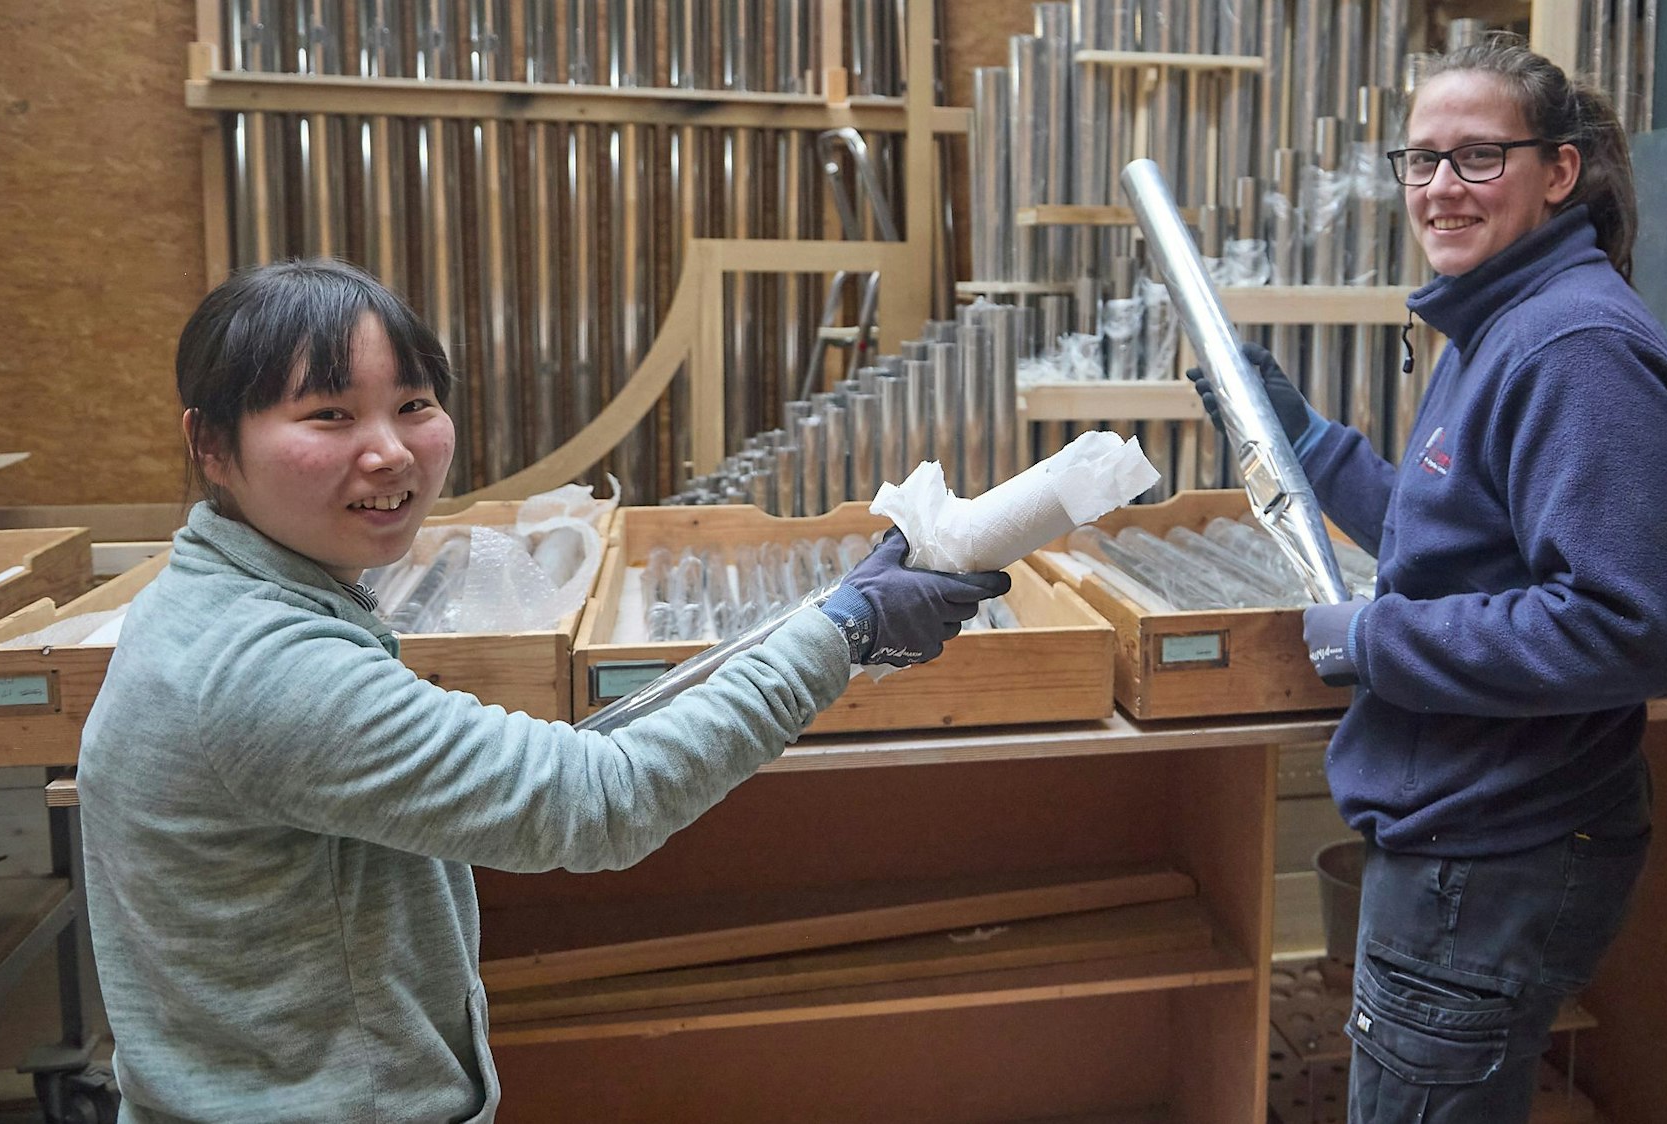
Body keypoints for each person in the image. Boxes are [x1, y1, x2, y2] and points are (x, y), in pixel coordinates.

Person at [77, 258, 1010, 1122]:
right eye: (328, 416)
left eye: (412, 404)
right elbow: (598, 801)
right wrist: (845, 632)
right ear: (209, 443)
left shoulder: (223, 595)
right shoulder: (264, 666)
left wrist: (828, 616)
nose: (391, 452)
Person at [1191, 36, 1667, 1122]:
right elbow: (1445, 539)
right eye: (1420, 160)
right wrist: (1300, 438)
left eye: (1477, 157)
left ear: (1557, 170)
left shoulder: (1572, 348)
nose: (1439, 188)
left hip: (1495, 845)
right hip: (1468, 829)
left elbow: (1627, 625)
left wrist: (1369, 641)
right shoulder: (1494, 323)